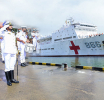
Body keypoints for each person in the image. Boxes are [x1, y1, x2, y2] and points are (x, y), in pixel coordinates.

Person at [0, 21, 19, 86]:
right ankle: (8, 80)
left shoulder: (13, 33)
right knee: (7, 66)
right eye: (10, 25)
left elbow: (14, 43)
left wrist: (16, 50)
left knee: (12, 66)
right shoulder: (4, 33)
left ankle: (12, 79)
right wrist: (4, 26)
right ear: (7, 26)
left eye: (11, 25)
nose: (11, 26)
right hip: (7, 52)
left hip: (13, 52)